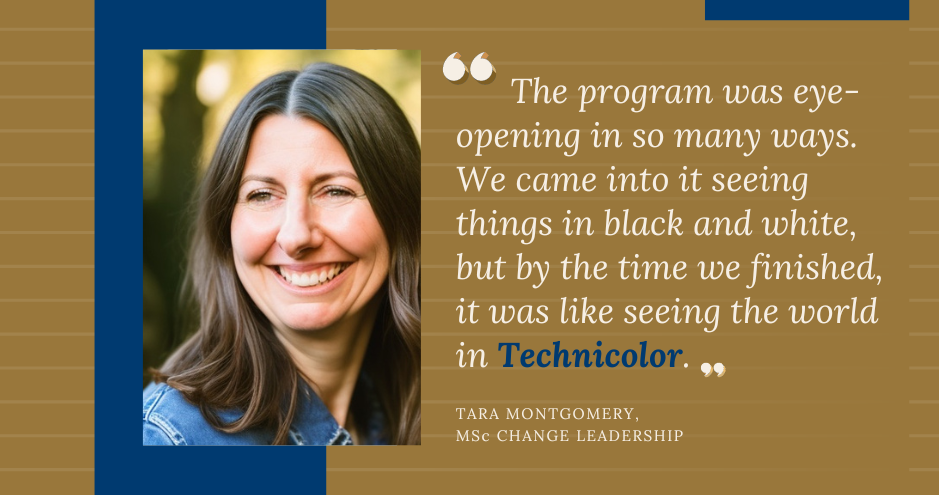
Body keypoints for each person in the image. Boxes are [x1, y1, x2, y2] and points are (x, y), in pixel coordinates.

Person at [143, 63, 421, 445]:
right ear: (226, 228)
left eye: (336, 191)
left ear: (401, 213)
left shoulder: (398, 414)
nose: (295, 236)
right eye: (261, 195)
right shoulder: (174, 442)